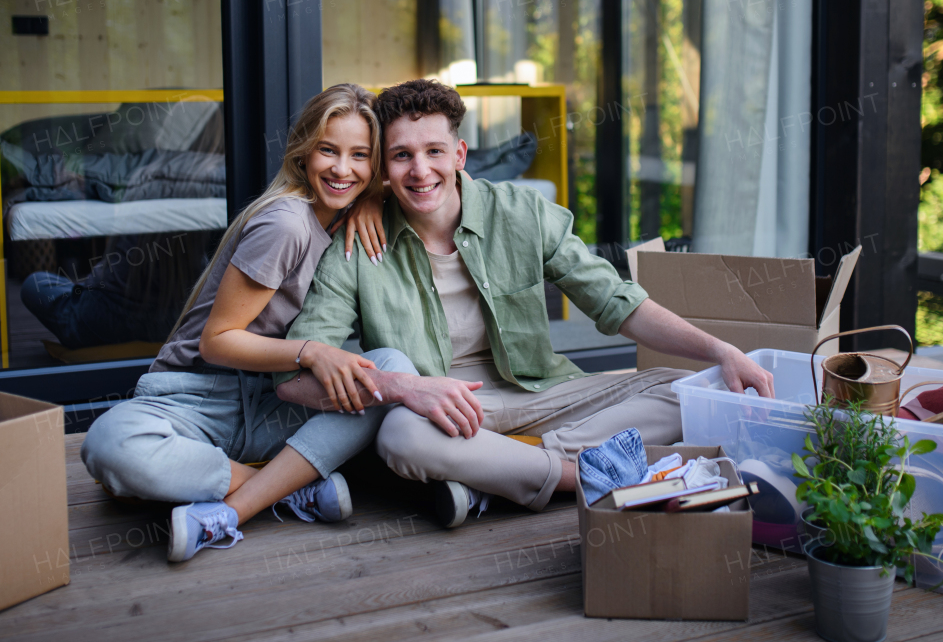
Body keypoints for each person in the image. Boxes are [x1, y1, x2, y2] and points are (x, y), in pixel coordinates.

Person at [280, 78, 776, 528]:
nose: (421, 170)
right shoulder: (357, 244)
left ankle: (496, 473)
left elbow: (617, 303)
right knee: (398, 437)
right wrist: (398, 387)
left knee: (688, 390)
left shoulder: (521, 214)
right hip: (443, 410)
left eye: (434, 151)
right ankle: (578, 476)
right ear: (384, 167)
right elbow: (296, 377)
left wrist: (721, 352)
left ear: (460, 154)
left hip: (542, 395)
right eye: (402, 156)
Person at [81, 84, 422, 563]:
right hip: (197, 398)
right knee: (109, 446)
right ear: (304, 153)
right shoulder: (286, 223)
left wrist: (372, 197)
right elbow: (218, 343)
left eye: (359, 155)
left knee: (389, 368)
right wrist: (313, 353)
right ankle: (285, 488)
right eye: (328, 150)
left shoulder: (346, 217)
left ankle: (244, 494)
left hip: (272, 401)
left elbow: (416, 182)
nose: (342, 169)